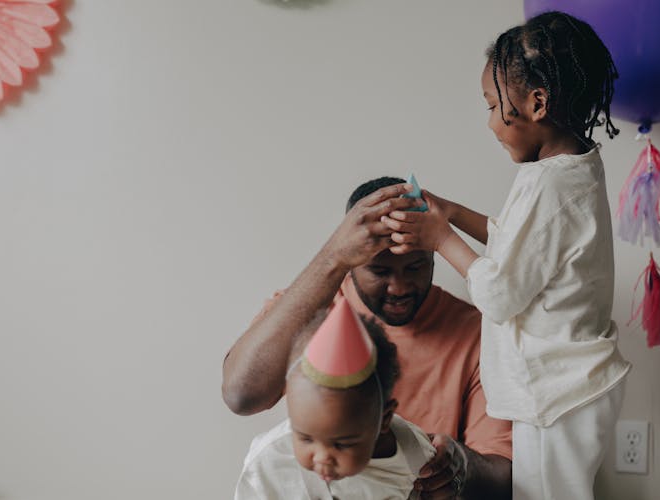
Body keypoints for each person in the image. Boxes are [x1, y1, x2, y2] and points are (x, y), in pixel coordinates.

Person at [381, 11, 631, 500]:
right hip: (569, 387)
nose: (491, 122)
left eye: (494, 105)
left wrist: (440, 239)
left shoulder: (549, 184)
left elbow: (498, 293)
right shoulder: (572, 169)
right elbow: (519, 246)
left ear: (537, 103)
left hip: (558, 391)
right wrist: (451, 213)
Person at [223, 179, 512, 498]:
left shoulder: (478, 333)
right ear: (353, 259)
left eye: (415, 266)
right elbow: (241, 395)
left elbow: (507, 474)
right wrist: (332, 256)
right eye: (380, 271)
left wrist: (461, 464)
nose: (400, 287)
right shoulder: (310, 310)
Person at [234, 299, 436, 499]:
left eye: (341, 444)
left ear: (384, 418)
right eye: (305, 438)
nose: (322, 459)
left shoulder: (415, 453)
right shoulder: (271, 464)